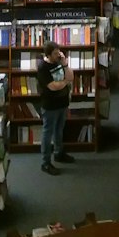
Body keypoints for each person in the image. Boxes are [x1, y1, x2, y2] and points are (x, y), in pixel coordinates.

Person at [36, 41, 74, 175]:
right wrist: (65, 82)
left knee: (59, 130)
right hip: (50, 105)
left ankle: (59, 153)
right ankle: (45, 163)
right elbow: (53, 86)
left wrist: (65, 63)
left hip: (62, 103)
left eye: (59, 52)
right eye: (55, 53)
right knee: (48, 133)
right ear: (48, 54)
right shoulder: (43, 67)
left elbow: (71, 76)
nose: (58, 54)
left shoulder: (59, 61)